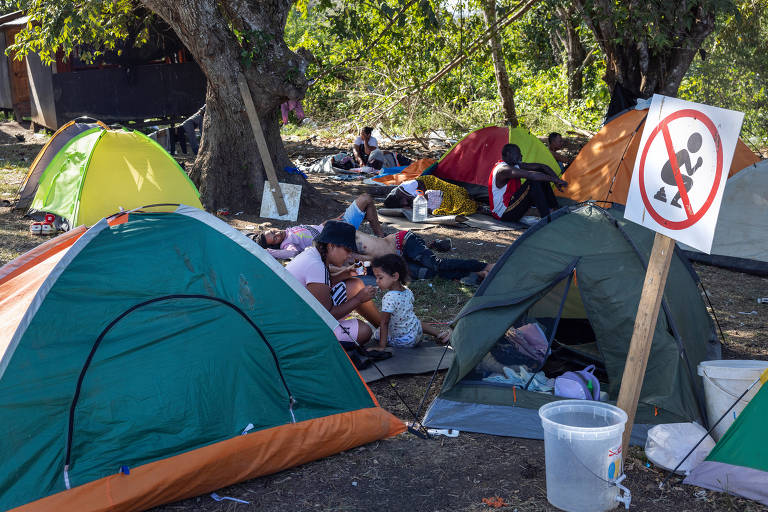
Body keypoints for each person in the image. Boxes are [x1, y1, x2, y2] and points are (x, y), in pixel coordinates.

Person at [285, 221, 380, 347]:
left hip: (299, 315)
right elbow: (327, 315)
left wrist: (346, 274)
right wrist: (359, 299)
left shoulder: (313, 254)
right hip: (299, 330)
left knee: (355, 285)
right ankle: (385, 330)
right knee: (364, 331)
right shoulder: (316, 266)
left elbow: (321, 286)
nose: (349, 255)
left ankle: (383, 328)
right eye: (347, 250)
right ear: (331, 246)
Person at [251, 194, 385, 258]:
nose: (277, 234)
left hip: (333, 224)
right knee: (365, 200)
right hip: (336, 234)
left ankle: (379, 236)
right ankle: (381, 238)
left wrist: (330, 221)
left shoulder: (289, 230)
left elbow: (315, 228)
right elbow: (293, 253)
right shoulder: (287, 243)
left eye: (273, 231)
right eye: (275, 239)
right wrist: (268, 252)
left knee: (366, 206)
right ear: (277, 244)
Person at [371, 254, 451, 349]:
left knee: (377, 334)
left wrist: (381, 346)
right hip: (416, 333)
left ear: (395, 276)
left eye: (380, 277)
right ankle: (440, 334)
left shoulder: (389, 297)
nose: (377, 281)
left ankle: (382, 345)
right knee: (415, 321)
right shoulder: (407, 291)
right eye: (376, 278)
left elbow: (384, 322)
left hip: (404, 341)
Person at [489, 144, 567, 222]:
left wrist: (556, 180)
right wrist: (555, 180)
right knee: (533, 181)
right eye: (518, 153)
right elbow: (531, 175)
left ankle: (554, 207)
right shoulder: (503, 169)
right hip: (504, 213)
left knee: (540, 175)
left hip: (513, 203)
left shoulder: (514, 166)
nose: (521, 156)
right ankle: (546, 216)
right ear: (508, 154)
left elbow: (542, 167)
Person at [383, 175, 478, 216]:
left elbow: (420, 184)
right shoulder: (402, 201)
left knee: (454, 192)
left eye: (404, 204)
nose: (405, 205)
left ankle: (469, 198)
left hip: (430, 183)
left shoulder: (407, 187)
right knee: (449, 204)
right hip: (430, 195)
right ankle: (468, 201)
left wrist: (423, 197)